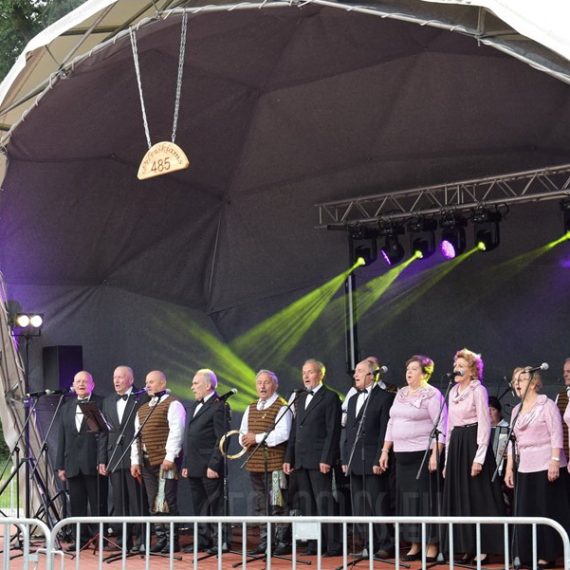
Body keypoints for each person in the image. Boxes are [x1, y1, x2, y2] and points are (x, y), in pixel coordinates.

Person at [379, 355, 446, 561]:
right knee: (407, 501)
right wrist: (385, 450)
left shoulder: (432, 394)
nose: (409, 372)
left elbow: (441, 426)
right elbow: (392, 422)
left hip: (422, 455)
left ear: (425, 373)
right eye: (408, 369)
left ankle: (432, 544)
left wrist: (435, 454)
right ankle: (415, 543)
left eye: (414, 369)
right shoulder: (401, 393)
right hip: (402, 456)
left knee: (425, 501)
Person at [442, 348, 505, 563]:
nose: (456, 369)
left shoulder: (478, 390)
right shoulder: (452, 392)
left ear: (472, 370)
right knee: (461, 497)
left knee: (478, 497)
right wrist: (447, 459)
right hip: (457, 444)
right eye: (455, 365)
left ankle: (484, 547)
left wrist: (479, 458)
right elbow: (450, 427)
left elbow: (484, 424)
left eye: (461, 366)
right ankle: (466, 545)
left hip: (473, 442)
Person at [506, 367, 570, 568]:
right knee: (527, 510)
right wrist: (509, 467)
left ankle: (548, 554)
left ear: (534, 383)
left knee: (546, 510)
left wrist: (554, 460)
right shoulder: (516, 410)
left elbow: (556, 434)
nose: (517, 384)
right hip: (525, 466)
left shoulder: (546, 405)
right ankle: (526, 553)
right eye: (515, 380)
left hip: (546, 464)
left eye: (521, 379)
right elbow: (512, 442)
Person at [283, 359, 342, 557]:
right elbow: (295, 431)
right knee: (306, 503)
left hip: (319, 459)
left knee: (324, 502)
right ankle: (313, 544)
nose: (306, 376)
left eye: (310, 372)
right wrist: (289, 457)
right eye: (304, 373)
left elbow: (333, 431)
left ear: (321, 374)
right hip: (300, 459)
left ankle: (333, 545)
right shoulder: (300, 398)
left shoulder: (330, 397)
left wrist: (327, 458)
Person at [342, 358, 395, 558]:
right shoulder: (352, 399)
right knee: (360, 505)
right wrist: (345, 458)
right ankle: (368, 544)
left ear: (371, 375)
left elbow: (384, 431)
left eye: (360, 371)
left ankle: (386, 544)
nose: (355, 374)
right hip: (354, 459)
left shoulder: (384, 397)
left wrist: (379, 458)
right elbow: (348, 432)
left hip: (373, 458)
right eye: (355, 371)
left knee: (378, 503)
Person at [130, 370, 186, 553]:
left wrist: (170, 457)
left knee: (167, 500)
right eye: (146, 382)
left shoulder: (173, 404)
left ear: (162, 383)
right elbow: (136, 437)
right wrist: (135, 461)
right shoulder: (143, 409)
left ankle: (172, 540)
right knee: (153, 501)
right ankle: (161, 538)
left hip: (165, 461)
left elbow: (177, 432)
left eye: (151, 382)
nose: (147, 385)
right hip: (147, 462)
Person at [240, 369, 293, 555]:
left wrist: (256, 438)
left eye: (266, 382)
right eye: (259, 383)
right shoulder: (251, 407)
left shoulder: (282, 406)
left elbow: (283, 434)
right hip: (255, 464)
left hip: (275, 464)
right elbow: (243, 432)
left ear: (275, 385)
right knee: (261, 505)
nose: (262, 386)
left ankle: (282, 542)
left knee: (278, 503)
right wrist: (244, 440)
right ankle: (266, 541)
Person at [97, 366, 148, 552]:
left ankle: (142, 540)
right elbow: (103, 433)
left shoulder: (141, 398)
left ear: (131, 380)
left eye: (120, 377)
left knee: (137, 501)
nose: (116, 381)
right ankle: (123, 540)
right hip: (114, 456)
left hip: (134, 457)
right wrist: (102, 459)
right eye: (114, 377)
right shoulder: (108, 401)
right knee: (119, 502)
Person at [56, 370, 108, 550]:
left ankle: (100, 538)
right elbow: (62, 437)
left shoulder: (101, 403)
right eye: (77, 381)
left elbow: (104, 434)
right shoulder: (66, 407)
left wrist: (102, 459)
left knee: (98, 503)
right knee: (77, 505)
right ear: (73, 385)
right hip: (72, 464)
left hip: (94, 462)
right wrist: (60, 465)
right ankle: (80, 540)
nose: (81, 384)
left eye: (85, 381)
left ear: (92, 384)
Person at [181, 369, 228, 554]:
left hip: (209, 466)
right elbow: (189, 437)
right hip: (194, 465)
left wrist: (214, 464)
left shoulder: (219, 406)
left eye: (196, 383)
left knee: (216, 505)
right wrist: (186, 463)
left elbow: (223, 438)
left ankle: (221, 541)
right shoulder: (194, 405)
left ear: (208, 385)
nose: (192, 387)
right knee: (199, 505)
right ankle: (202, 540)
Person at [556, 358, 570, 453]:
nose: (565, 374)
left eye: (569, 371)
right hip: (565, 452)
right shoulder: (561, 396)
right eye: (564, 372)